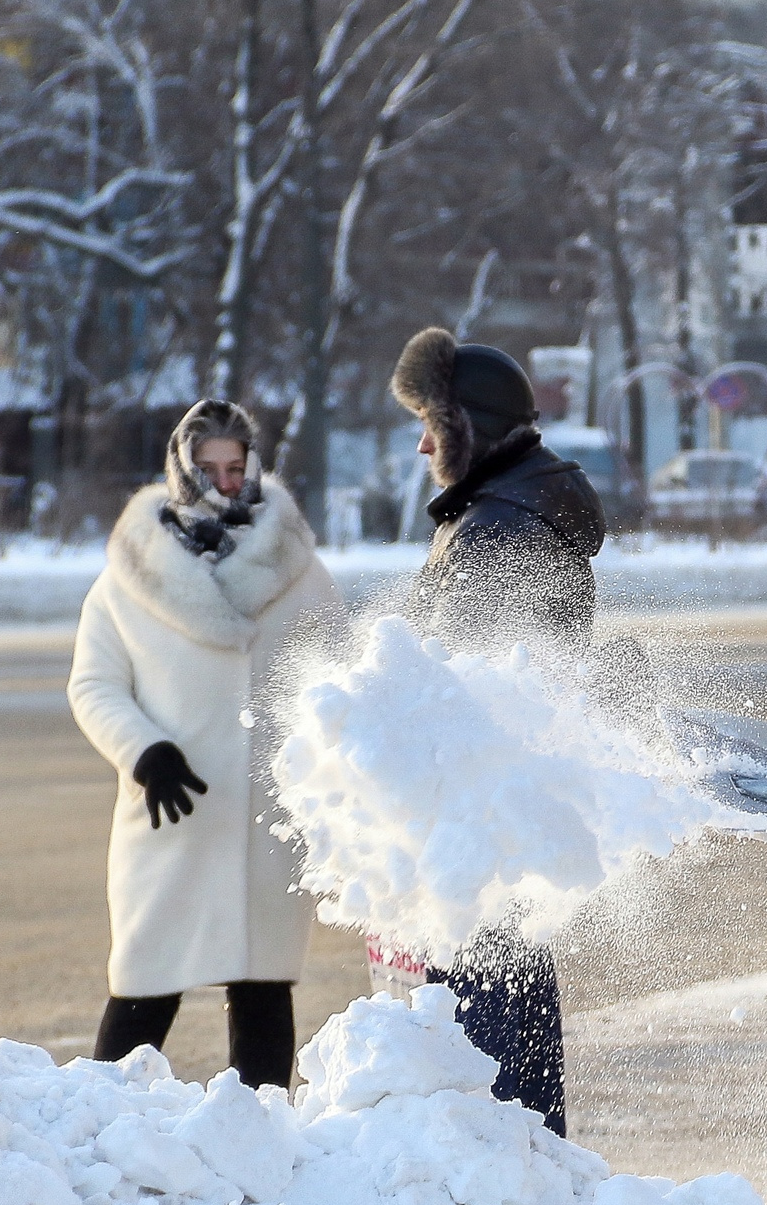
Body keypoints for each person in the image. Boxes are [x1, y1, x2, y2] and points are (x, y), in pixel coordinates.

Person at [69, 399, 342, 1086]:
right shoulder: (128, 577)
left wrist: (327, 781)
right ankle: (102, 1132)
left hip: (266, 817)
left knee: (262, 988)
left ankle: (261, 1143)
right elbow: (94, 686)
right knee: (142, 988)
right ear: (179, 471)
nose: (225, 481)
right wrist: (144, 751)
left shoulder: (302, 572)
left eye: (236, 465)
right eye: (209, 467)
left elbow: (339, 682)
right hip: (173, 812)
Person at [386, 325, 609, 1135]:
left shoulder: (498, 533)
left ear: (467, 432)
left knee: (490, 1047)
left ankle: (512, 1177)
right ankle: (527, 1164)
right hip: (502, 823)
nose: (421, 445)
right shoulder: (503, 512)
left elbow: (461, 696)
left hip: (481, 825)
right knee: (514, 1006)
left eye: (431, 425)